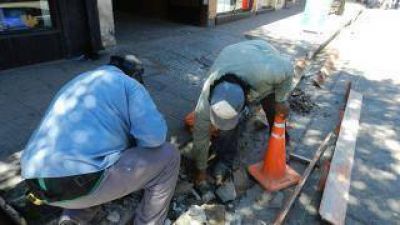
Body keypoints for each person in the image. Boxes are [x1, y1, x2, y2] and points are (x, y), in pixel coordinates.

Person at [20, 54, 180, 225]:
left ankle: (72, 219)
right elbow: (154, 138)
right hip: (81, 182)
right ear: (134, 75)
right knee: (170, 155)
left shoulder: (79, 81)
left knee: (91, 159)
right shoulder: (128, 84)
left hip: (37, 183)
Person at [191, 40, 294, 187]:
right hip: (234, 58)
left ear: (246, 99)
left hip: (261, 53)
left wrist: (281, 99)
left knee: (275, 111)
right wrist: (201, 170)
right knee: (228, 130)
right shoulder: (205, 104)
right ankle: (225, 160)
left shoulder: (267, 72)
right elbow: (200, 137)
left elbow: (288, 68)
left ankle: (282, 146)